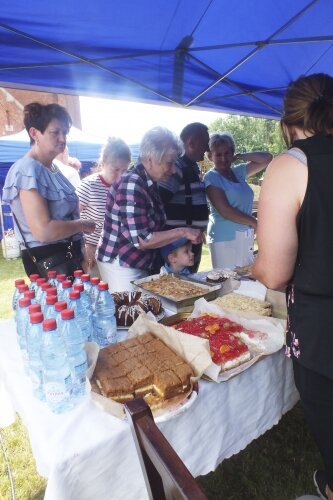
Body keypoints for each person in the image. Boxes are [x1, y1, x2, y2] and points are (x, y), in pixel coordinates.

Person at [252, 73, 333, 500]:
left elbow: (276, 272)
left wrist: (256, 269)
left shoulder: (291, 165)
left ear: (287, 122)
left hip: (324, 334)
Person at [96, 126, 202, 292]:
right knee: (133, 314)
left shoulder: (148, 183)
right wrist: (183, 231)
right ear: (151, 159)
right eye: (170, 162)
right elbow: (143, 240)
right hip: (123, 265)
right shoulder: (132, 183)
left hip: (137, 263)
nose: (174, 169)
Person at [2, 102, 96, 277]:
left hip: (69, 257)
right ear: (34, 133)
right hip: (51, 263)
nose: (62, 139)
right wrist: (82, 225)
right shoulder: (27, 170)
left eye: (64, 133)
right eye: (55, 132)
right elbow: (43, 231)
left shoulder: (53, 168)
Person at [204, 132, 272, 269]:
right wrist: (253, 221)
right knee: (228, 283)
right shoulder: (211, 177)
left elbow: (267, 158)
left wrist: (240, 156)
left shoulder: (238, 172)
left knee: (245, 281)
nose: (223, 158)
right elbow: (225, 210)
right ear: (210, 156)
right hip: (224, 239)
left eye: (227, 153)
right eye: (218, 154)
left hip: (245, 236)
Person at [158, 122, 210, 273]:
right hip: (179, 246)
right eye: (204, 143)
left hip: (190, 240)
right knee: (180, 287)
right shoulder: (177, 168)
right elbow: (160, 203)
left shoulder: (191, 166)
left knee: (190, 284)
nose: (207, 149)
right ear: (191, 143)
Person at [76, 137, 131, 277]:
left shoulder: (128, 186)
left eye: (125, 170)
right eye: (116, 169)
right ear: (103, 163)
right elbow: (71, 219)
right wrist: (85, 248)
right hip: (93, 255)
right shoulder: (88, 185)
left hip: (120, 254)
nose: (120, 175)